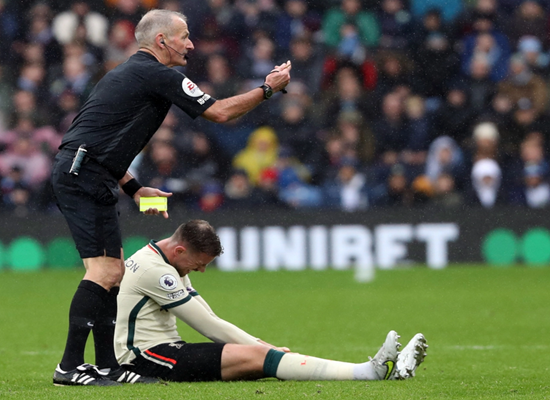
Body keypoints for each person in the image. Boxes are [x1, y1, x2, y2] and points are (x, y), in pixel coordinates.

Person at [51, 9, 291, 386]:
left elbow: (97, 139)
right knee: (104, 272)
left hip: (91, 172)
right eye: (184, 36)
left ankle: (109, 367)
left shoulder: (128, 74)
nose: (191, 44)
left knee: (112, 274)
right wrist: (267, 89)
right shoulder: (157, 74)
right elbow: (219, 112)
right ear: (161, 41)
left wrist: (134, 188)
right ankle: (69, 367)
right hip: (85, 174)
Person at [115, 220, 428, 382]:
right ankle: (368, 372)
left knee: (258, 360)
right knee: (258, 358)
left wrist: (261, 346)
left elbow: (208, 313)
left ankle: (369, 371)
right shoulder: (156, 271)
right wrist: (264, 349)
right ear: (181, 250)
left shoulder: (170, 262)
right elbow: (207, 325)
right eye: (200, 264)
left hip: (168, 350)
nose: (202, 270)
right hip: (146, 359)